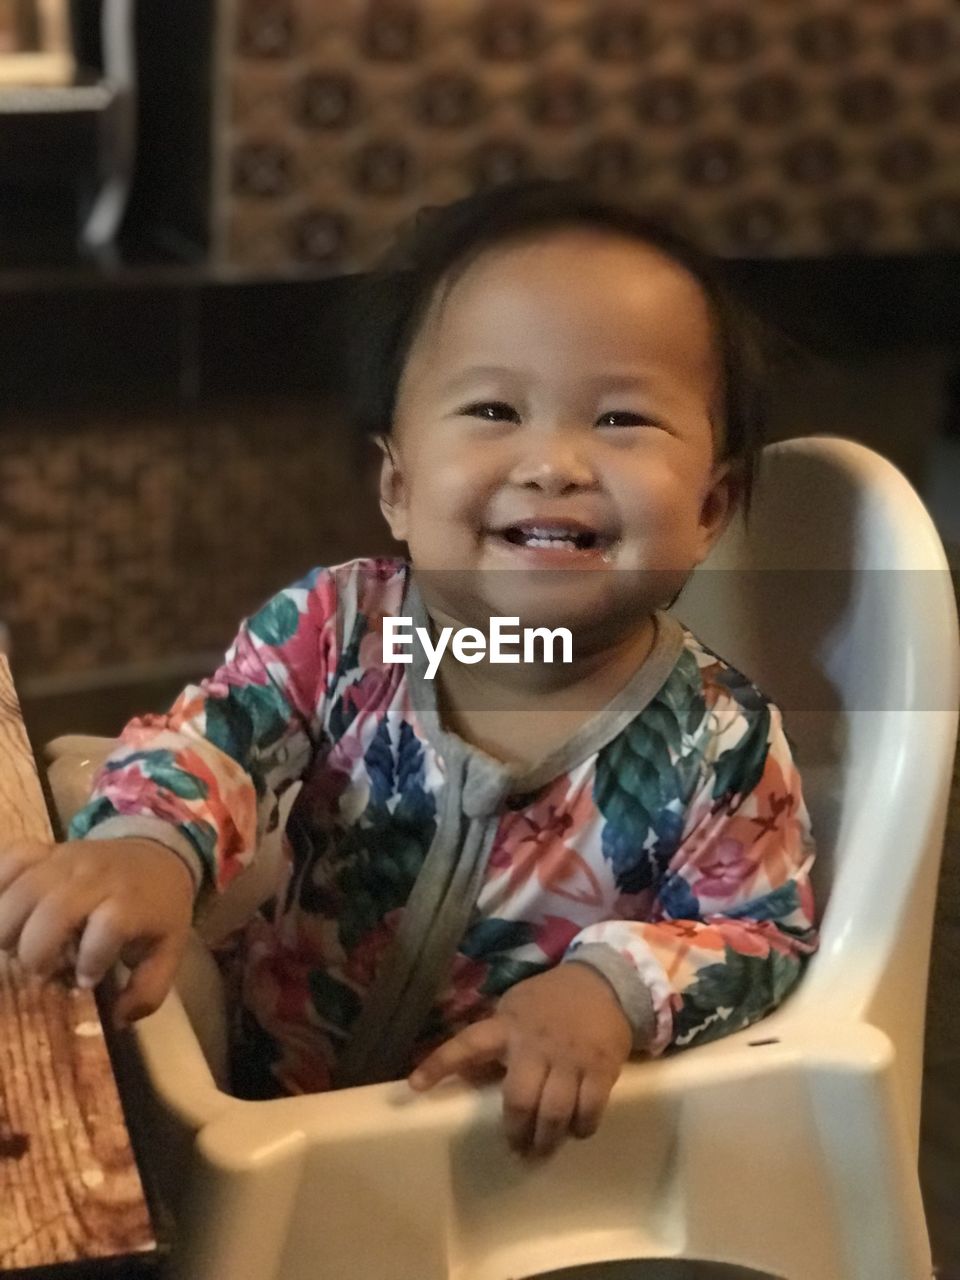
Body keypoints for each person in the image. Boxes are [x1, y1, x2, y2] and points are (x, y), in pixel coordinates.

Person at [0, 181, 817, 1157]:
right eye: (493, 407)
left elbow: (762, 933)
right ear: (398, 485)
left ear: (711, 507)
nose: (553, 462)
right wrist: (149, 845)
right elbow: (216, 734)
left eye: (620, 421)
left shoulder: (722, 739)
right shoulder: (340, 627)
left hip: (500, 1156)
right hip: (268, 1095)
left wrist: (611, 985)